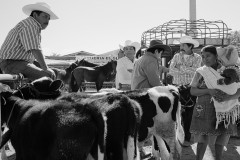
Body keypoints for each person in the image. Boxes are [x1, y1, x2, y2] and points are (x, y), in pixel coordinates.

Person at [190, 45, 238, 160]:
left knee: (223, 134)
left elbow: (238, 90)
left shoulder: (229, 71)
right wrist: (208, 90)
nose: (205, 59)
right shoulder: (201, 72)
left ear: (216, 56)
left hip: (225, 109)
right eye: (203, 56)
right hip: (205, 108)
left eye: (208, 56)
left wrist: (227, 98)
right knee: (203, 137)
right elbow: (192, 91)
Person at [0, 2, 57, 81]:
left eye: (48, 18)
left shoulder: (29, 24)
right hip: (12, 62)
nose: (47, 21)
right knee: (47, 75)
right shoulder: (31, 25)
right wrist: (45, 68)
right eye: (45, 16)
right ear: (35, 15)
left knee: (44, 73)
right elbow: (35, 49)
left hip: (14, 62)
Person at [169, 35, 202, 147]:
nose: (181, 46)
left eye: (183, 44)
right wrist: (186, 68)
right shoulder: (176, 56)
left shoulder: (197, 57)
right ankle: (177, 137)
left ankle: (187, 137)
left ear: (190, 46)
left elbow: (196, 71)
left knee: (189, 114)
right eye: (181, 44)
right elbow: (171, 71)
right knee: (175, 112)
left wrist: (180, 67)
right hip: (177, 87)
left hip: (190, 87)